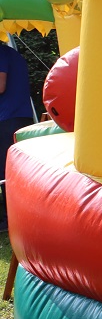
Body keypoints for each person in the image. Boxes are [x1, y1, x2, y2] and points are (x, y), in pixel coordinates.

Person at [0, 41, 35, 232]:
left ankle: (10, 219)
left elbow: (0, 85)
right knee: (19, 169)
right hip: (20, 117)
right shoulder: (12, 54)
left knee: (6, 170)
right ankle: (24, 214)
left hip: (7, 119)